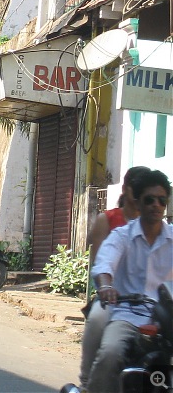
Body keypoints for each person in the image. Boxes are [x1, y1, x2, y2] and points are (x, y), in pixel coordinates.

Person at [88, 168, 173, 393]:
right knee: (110, 353)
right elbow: (104, 263)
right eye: (150, 199)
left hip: (166, 319)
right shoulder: (121, 236)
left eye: (161, 200)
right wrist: (106, 286)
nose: (156, 205)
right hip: (127, 314)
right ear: (139, 201)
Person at [78, 166, 147, 390]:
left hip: (147, 299)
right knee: (98, 319)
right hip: (114, 296)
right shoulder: (108, 220)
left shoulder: (156, 226)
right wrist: (106, 287)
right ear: (126, 190)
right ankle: (88, 380)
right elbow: (100, 263)